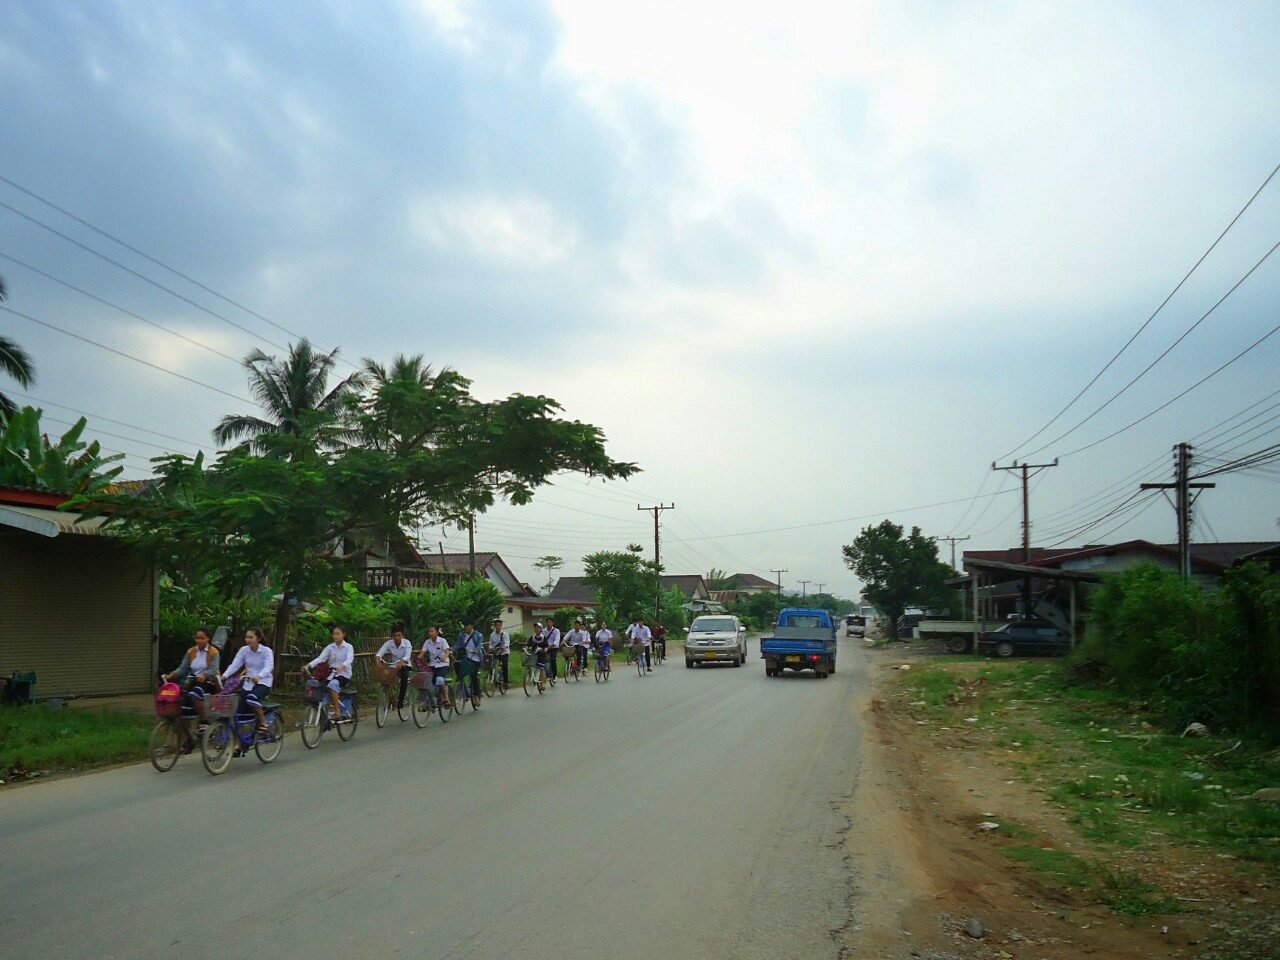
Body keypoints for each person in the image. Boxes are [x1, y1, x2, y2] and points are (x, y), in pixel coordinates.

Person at [219, 627, 274, 733]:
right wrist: (224, 676)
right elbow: (235, 665)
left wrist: (259, 676)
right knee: (239, 715)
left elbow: (269, 666)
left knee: (252, 698)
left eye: (251, 637)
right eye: (246, 637)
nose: (248, 640)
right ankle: (241, 744)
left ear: (258, 639)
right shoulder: (244, 650)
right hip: (248, 684)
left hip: (263, 683)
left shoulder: (266, 651)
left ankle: (263, 722)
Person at [165, 627, 220, 731]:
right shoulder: (191, 651)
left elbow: (214, 669)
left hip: (209, 683)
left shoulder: (214, 652)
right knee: (184, 709)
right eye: (197, 638)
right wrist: (172, 675)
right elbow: (183, 668)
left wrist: (204, 675)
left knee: (194, 694)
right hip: (194, 681)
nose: (199, 640)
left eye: (202, 638)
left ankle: (204, 721)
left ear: (208, 639)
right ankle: (188, 738)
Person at [307, 625, 356, 722]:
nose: (335, 636)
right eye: (334, 634)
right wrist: (309, 665)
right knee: (320, 688)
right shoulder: (330, 647)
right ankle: (323, 713)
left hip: (344, 674)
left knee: (333, 685)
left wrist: (343, 666)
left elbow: (349, 658)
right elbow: (321, 658)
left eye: (338, 634)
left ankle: (337, 712)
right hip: (330, 674)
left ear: (344, 634)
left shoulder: (348, 647)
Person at [377, 625, 415, 710]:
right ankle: (389, 698)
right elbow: (380, 652)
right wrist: (378, 659)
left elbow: (408, 655)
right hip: (394, 666)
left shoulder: (407, 643)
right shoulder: (389, 643)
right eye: (395, 636)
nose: (397, 638)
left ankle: (400, 701)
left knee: (404, 679)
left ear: (402, 635)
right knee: (385, 679)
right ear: (392, 636)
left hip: (405, 665)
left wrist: (402, 662)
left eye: (399, 635)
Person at [454, 619, 485, 709]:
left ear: (471, 626)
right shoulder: (462, 635)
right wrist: (450, 650)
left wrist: (477, 650)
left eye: (466, 626)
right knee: (457, 665)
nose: (465, 628)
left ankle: (476, 696)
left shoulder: (478, 635)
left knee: (473, 676)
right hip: (465, 657)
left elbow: (479, 644)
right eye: (464, 626)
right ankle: (462, 687)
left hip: (475, 659)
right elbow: (457, 644)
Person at [421, 625, 453, 709]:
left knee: (439, 680)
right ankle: (427, 701)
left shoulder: (442, 641)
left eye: (432, 631)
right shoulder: (427, 642)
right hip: (432, 665)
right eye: (429, 631)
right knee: (425, 682)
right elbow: (422, 653)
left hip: (443, 665)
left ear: (437, 632)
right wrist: (417, 659)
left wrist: (445, 657)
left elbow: (447, 652)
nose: (430, 633)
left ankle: (446, 698)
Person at [488, 619, 511, 688]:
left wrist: (504, 647)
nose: (498, 627)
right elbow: (490, 644)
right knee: (491, 664)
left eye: (499, 625)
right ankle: (492, 677)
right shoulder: (492, 635)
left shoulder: (504, 634)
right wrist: (492, 648)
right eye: (496, 625)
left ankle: (505, 682)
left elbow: (507, 643)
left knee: (504, 666)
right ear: (494, 626)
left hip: (504, 653)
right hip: (496, 652)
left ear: (501, 626)